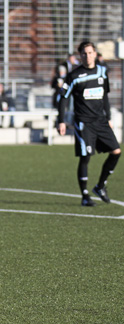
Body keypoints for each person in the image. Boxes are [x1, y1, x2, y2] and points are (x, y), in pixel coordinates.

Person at [57, 41, 121, 207]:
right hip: (84, 122)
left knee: (116, 151)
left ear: (95, 54)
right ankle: (85, 195)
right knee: (86, 157)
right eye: (84, 53)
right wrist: (61, 121)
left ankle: (100, 186)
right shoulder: (74, 76)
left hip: (101, 121)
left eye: (90, 52)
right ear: (80, 56)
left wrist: (108, 117)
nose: (87, 56)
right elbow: (63, 98)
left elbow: (104, 96)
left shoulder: (102, 71)